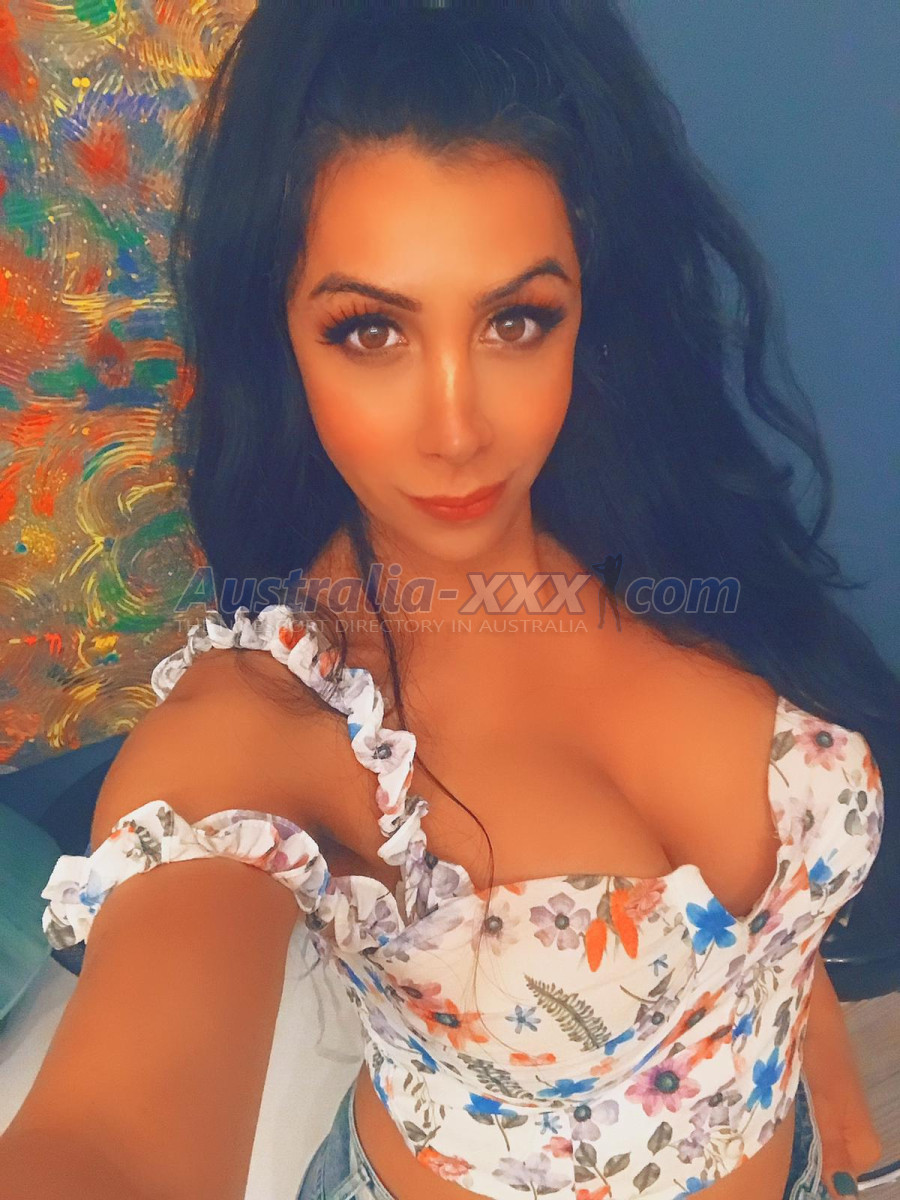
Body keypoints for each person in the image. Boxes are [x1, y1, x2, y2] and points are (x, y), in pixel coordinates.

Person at [0, 3, 894, 1199]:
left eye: (516, 319)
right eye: (371, 330)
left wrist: (826, 1087)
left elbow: (763, 936)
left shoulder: (677, 532)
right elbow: (112, 1139)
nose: (460, 428)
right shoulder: (269, 730)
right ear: (281, 335)